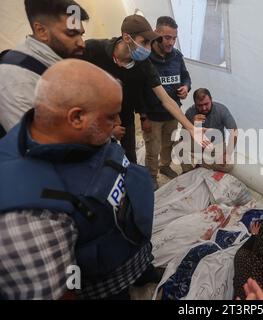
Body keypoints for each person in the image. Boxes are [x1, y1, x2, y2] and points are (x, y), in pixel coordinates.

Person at [0, 59, 157, 300]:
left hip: (131, 254)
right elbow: (61, 292)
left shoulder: (85, 134)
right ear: (76, 118)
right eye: (112, 116)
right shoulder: (30, 214)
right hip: (106, 290)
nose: (118, 124)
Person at [82, 14, 206, 166]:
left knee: (131, 158)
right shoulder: (94, 49)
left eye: (150, 42)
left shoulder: (144, 64)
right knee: (96, 156)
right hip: (95, 115)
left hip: (126, 115)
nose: (148, 48)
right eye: (144, 42)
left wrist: (190, 128)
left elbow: (165, 99)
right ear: (127, 37)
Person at [0, 0, 89, 135]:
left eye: (81, 34)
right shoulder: (17, 80)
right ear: (41, 31)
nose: (81, 43)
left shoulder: (62, 64)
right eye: (71, 34)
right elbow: (38, 148)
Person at [140, 16, 192, 183]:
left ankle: (165, 165)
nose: (171, 43)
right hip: (152, 116)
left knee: (167, 144)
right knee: (152, 149)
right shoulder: (145, 58)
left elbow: (186, 76)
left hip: (172, 114)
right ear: (156, 34)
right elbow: (138, 90)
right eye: (168, 37)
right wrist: (143, 116)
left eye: (174, 38)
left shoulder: (176, 56)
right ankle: (152, 178)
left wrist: (186, 87)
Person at [180, 88, 238, 173]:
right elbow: (183, 135)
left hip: (216, 145)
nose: (204, 108)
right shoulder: (190, 112)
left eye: (206, 104)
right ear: (195, 103)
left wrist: (227, 154)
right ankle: (188, 172)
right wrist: (192, 123)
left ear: (211, 100)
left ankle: (201, 164)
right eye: (199, 105)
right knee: (178, 146)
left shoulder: (221, 110)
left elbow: (234, 132)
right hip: (198, 143)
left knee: (228, 166)